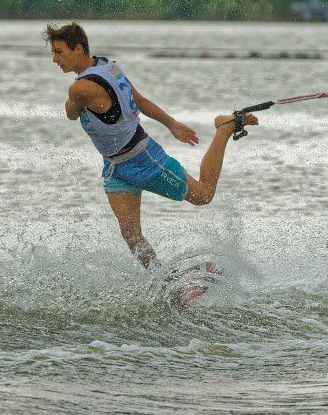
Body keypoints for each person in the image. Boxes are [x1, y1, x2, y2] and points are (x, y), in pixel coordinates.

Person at [45, 21, 258, 268]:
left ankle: (224, 128)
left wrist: (171, 124)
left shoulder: (79, 88)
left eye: (59, 52)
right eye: (53, 52)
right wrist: (171, 124)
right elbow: (139, 99)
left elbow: (71, 114)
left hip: (143, 158)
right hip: (115, 167)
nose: (54, 59)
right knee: (131, 235)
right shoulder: (107, 65)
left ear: (79, 49)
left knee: (203, 196)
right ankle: (162, 280)